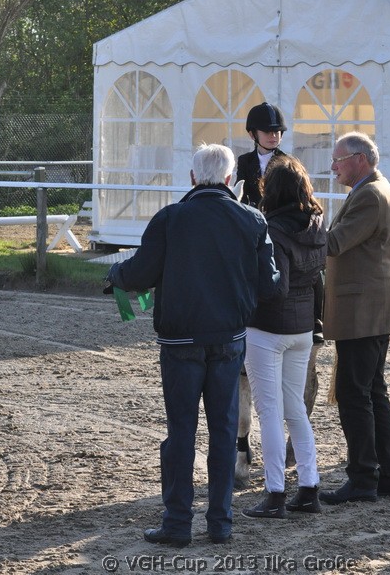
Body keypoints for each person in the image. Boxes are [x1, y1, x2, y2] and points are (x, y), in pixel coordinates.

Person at [105, 143, 279, 546]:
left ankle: (178, 522)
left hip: (180, 339)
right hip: (228, 339)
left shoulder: (170, 218)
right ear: (231, 179)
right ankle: (220, 523)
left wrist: (115, 275)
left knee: (181, 432)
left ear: (193, 177)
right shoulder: (252, 220)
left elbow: (140, 273)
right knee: (223, 431)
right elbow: (270, 284)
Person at [320, 132, 390, 505]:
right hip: (371, 309)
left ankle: (363, 478)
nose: (333, 167)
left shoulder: (369, 195)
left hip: (363, 310)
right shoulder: (375, 189)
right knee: (371, 391)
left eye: (338, 160)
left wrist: (300, 222)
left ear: (360, 159)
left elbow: (334, 243)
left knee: (354, 394)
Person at [242, 155, 326, 519]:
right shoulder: (318, 224)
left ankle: (275, 492)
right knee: (295, 410)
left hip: (269, 329)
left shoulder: (272, 230)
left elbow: (277, 287)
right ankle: (308, 487)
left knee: (270, 412)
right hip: (303, 327)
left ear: (271, 190)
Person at [236, 102, 287, 207]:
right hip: (252, 214)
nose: (273, 135)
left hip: (279, 214)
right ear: (252, 134)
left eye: (277, 131)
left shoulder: (287, 162)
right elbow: (242, 195)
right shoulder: (245, 161)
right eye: (267, 131)